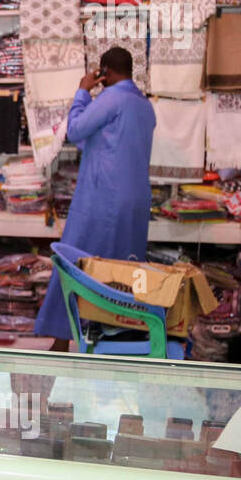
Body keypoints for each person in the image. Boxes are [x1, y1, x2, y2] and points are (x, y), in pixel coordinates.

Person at [33, 45, 157, 345]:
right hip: (137, 201)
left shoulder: (112, 99)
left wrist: (82, 92)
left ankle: (61, 337)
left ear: (105, 73)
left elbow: (75, 130)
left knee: (74, 262)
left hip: (103, 198)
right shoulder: (145, 106)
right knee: (123, 270)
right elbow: (111, 141)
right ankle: (116, 337)